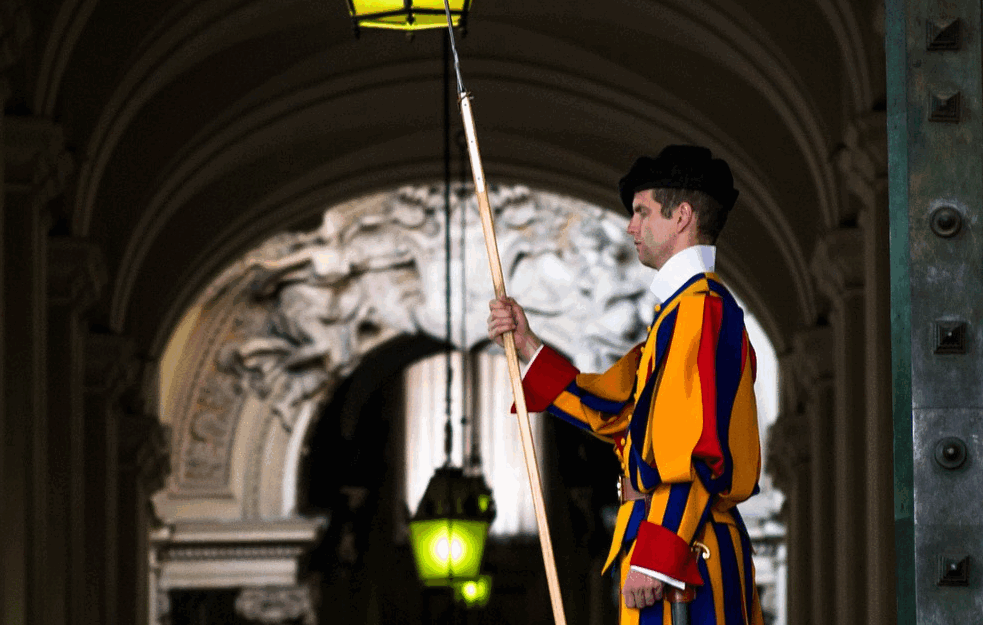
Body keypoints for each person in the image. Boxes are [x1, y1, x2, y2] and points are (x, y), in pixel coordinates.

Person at [487, 145, 764, 625]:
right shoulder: (678, 315)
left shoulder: (702, 310)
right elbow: (616, 411)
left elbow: (695, 449)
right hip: (671, 543)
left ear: (681, 217)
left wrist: (657, 557)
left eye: (641, 212)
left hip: (683, 551)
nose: (630, 227)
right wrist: (528, 345)